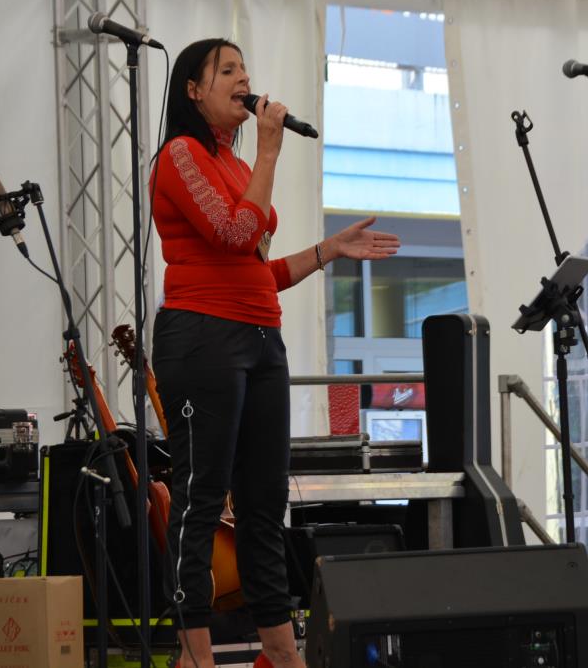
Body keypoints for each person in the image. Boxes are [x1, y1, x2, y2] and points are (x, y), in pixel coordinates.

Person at [149, 38, 400, 668]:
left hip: (260, 337)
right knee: (201, 499)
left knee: (264, 506)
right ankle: (195, 656)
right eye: (227, 70)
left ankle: (283, 654)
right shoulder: (180, 156)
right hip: (202, 337)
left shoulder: (237, 166)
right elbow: (235, 233)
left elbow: (258, 273)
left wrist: (327, 250)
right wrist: (268, 150)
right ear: (193, 91)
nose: (244, 80)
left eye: (245, 70)